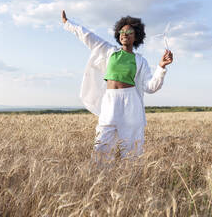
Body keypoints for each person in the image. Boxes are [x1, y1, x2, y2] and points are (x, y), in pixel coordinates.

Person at [61, 10, 173, 162]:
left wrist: (161, 67)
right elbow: (87, 36)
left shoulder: (140, 61)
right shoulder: (108, 51)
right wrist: (68, 23)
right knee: (102, 144)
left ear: (136, 37)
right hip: (110, 101)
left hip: (131, 102)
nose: (124, 34)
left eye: (129, 32)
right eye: (122, 32)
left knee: (132, 148)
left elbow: (150, 87)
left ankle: (131, 180)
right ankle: (103, 180)